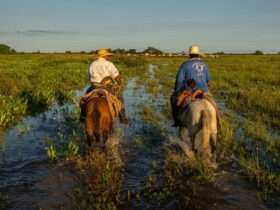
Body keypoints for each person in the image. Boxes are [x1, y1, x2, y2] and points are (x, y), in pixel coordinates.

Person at [171, 45, 216, 127]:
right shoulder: (204, 64)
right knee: (215, 108)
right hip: (204, 91)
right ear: (198, 54)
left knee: (174, 99)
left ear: (190, 55)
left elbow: (179, 80)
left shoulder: (185, 64)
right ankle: (218, 123)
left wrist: (177, 91)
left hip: (190, 91)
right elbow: (208, 79)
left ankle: (177, 122)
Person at [80, 48, 128, 124]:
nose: (108, 57)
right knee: (119, 98)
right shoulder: (109, 64)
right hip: (107, 87)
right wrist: (120, 84)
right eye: (107, 55)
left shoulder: (92, 64)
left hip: (94, 87)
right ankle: (123, 117)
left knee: (84, 99)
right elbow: (116, 77)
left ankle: (82, 117)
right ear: (104, 56)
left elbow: (89, 78)